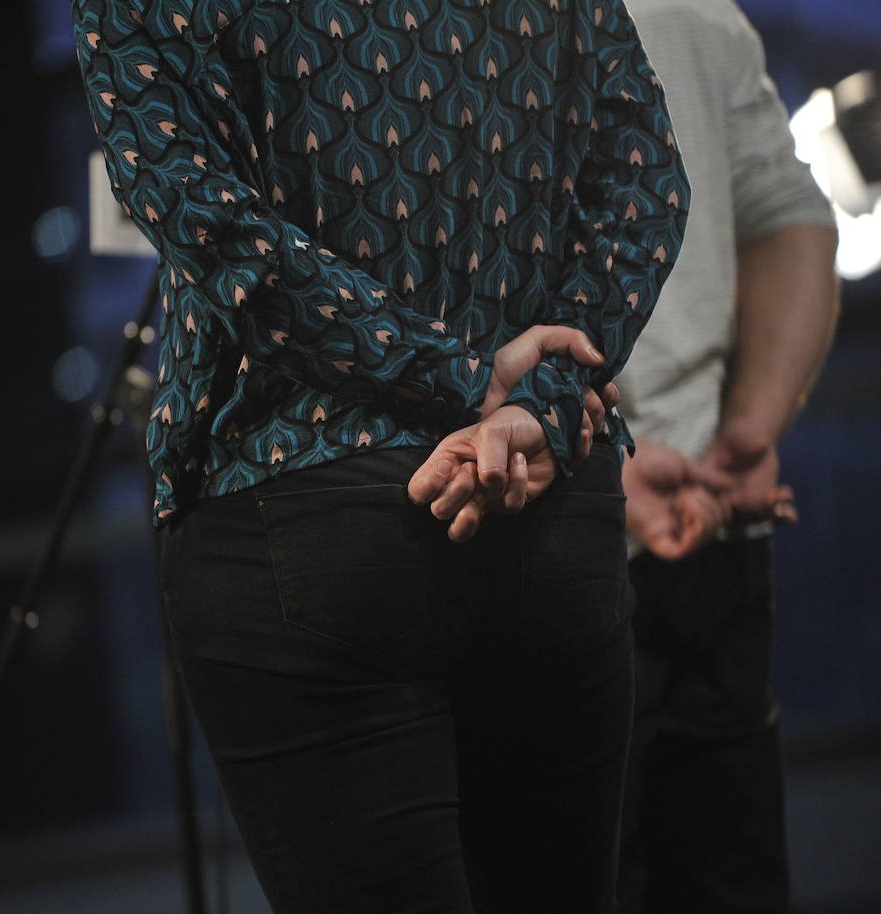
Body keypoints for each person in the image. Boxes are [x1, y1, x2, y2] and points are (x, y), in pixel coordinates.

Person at [71, 1, 689, 912]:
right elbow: (647, 182)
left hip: (298, 508)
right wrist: (540, 403)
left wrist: (466, 382)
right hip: (543, 501)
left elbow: (208, 223)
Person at [609, 1, 839, 911]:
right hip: (710, 517)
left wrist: (600, 473)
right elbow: (791, 216)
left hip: (564, 537)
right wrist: (752, 428)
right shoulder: (700, 7)